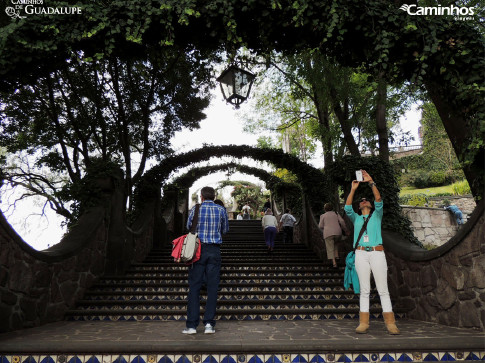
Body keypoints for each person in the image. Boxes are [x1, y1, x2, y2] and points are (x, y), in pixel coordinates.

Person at [344, 170, 400, 335]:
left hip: (377, 252)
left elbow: (378, 200)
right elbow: (347, 208)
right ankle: (363, 322)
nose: (363, 201)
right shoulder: (356, 218)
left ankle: (390, 323)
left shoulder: (377, 215)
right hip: (361, 253)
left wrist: (371, 182)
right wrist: (353, 189)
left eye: (365, 200)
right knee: (364, 289)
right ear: (359, 207)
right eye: (361, 201)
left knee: (383, 289)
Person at [183, 186, 229, 335]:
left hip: (198, 249)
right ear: (214, 197)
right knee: (212, 287)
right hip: (214, 250)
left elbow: (189, 226)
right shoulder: (221, 210)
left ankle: (191, 326)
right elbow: (225, 230)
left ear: (202, 196)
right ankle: (209, 324)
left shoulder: (195, 209)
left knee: (195, 287)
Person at [318, 203, 349, 268]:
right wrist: (345, 230)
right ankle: (337, 256)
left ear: (325, 209)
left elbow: (320, 226)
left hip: (328, 233)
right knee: (335, 244)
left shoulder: (323, 216)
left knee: (330, 247)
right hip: (338, 232)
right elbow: (342, 222)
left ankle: (334, 263)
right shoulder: (336, 213)